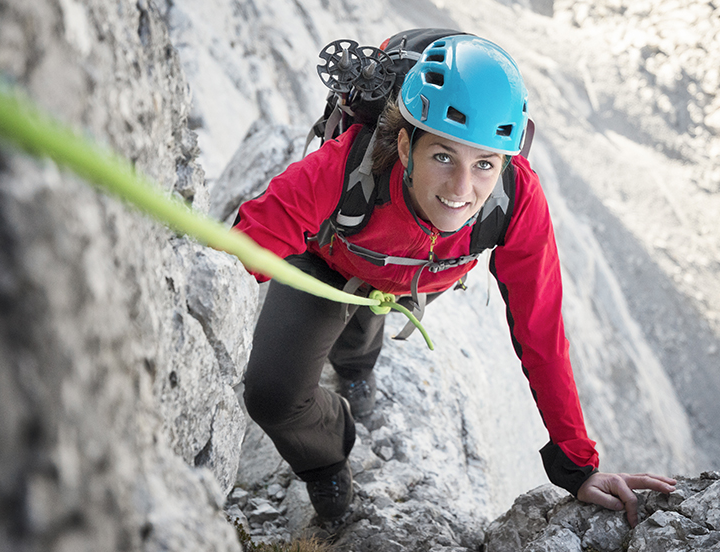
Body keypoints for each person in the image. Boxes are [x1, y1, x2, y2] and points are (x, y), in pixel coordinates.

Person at [235, 34, 675, 526]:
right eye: (443, 157)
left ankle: (357, 367)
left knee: (363, 330)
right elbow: (243, 246)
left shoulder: (516, 200)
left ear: (506, 163)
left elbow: (541, 331)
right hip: (330, 262)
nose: (463, 190)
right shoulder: (343, 169)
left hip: (415, 274)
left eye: (484, 164)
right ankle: (326, 454)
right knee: (273, 397)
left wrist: (578, 465)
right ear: (405, 145)